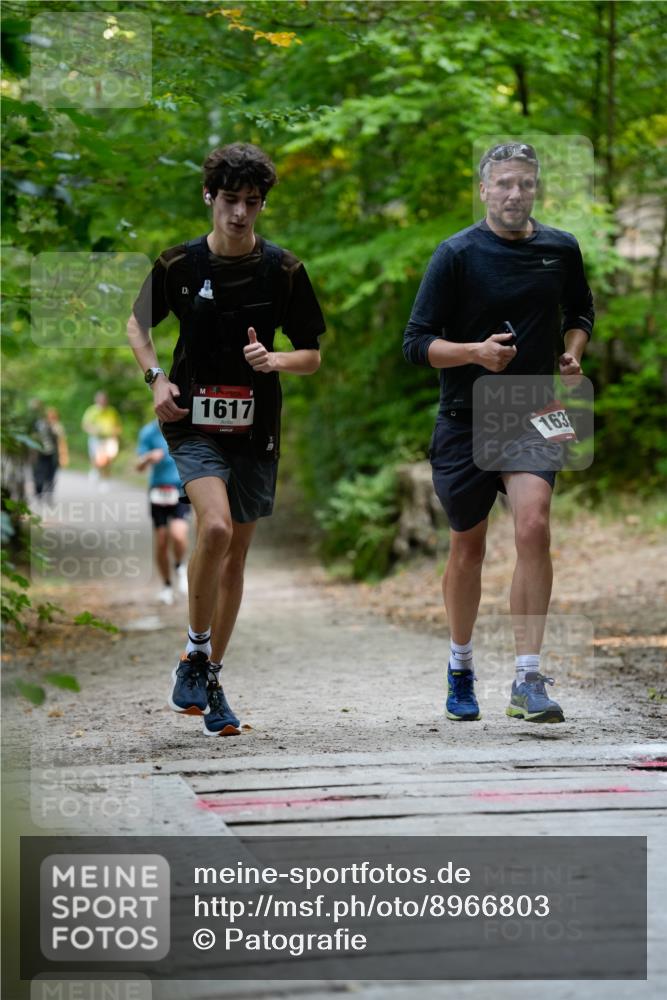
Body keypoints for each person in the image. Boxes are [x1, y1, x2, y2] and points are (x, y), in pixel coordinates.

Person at [127, 142, 325, 737]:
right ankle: (193, 650)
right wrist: (155, 378)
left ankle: (209, 674)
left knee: (235, 555)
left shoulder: (284, 270)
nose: (241, 214)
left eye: (253, 203)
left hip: (256, 427)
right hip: (190, 420)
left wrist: (276, 361)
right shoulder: (179, 266)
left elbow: (312, 356)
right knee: (212, 528)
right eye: (231, 200)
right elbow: (138, 324)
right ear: (210, 197)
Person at [403, 141, 594, 725]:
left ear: (536, 189)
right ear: (484, 189)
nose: (515, 194)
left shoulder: (561, 248)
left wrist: (571, 353)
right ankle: (461, 667)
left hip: (535, 406)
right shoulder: (456, 253)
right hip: (464, 415)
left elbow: (580, 314)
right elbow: (416, 344)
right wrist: (475, 354)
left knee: (534, 525)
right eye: (504, 184)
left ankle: (528, 677)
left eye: (526, 184)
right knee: (469, 545)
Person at [136, 417, 190, 605]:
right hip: (158, 490)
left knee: (178, 535)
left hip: (180, 489)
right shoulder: (148, 432)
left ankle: (180, 566)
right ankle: (167, 586)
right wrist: (148, 458)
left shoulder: (184, 427)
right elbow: (139, 467)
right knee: (161, 541)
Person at [81, 391, 122, 488]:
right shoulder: (92, 411)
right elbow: (85, 425)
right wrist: (93, 430)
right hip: (96, 438)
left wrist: (115, 433)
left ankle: (105, 479)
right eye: (100, 400)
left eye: (104, 400)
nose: (102, 402)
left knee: (108, 460)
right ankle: (95, 470)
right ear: (96, 400)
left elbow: (118, 425)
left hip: (109, 439)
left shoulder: (112, 411)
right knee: (97, 458)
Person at [31, 402, 69, 501]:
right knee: (39, 473)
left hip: (52, 455)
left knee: (51, 474)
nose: (52, 418)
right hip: (40, 454)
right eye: (50, 416)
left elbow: (61, 442)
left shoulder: (58, 427)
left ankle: (48, 494)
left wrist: (63, 456)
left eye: (54, 416)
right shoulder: (39, 425)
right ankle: (38, 492)